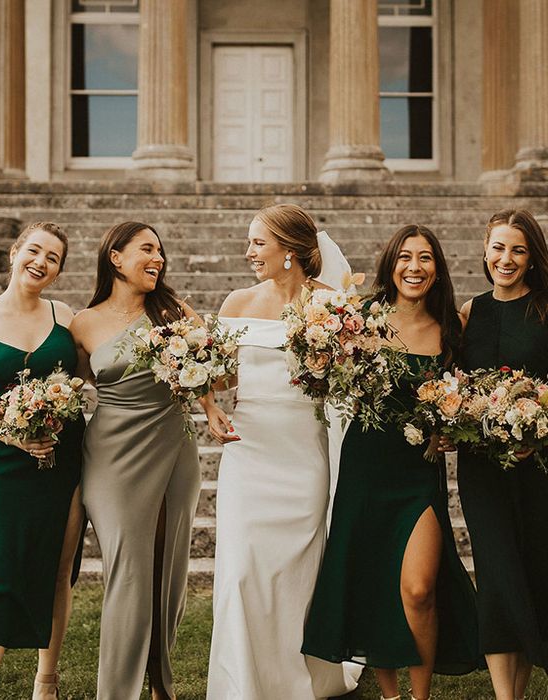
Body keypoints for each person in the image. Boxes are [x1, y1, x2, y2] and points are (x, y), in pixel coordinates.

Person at [302, 224, 480, 700]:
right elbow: (318, 370)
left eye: (425, 259)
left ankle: (419, 697)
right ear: (391, 264)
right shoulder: (362, 317)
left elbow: (466, 396)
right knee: (374, 581)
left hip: (418, 473)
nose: (414, 267)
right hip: (365, 465)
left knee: (419, 589)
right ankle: (390, 695)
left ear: (437, 269)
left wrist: (452, 429)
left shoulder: (452, 328)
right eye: (405, 257)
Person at [204, 203, 360, 699]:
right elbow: (222, 377)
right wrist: (207, 401)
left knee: (299, 570)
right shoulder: (237, 303)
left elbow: (349, 381)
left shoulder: (333, 305)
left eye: (257, 242)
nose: (248, 252)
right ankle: (242, 684)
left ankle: (299, 678)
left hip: (303, 451)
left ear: (289, 250)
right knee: (241, 571)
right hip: (250, 450)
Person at [0, 222, 85, 700]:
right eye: (34, 250)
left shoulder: (65, 316)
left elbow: (94, 372)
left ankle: (45, 681)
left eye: (53, 258)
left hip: (63, 463)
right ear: (14, 252)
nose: (41, 262)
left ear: (59, 271)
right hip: (1, 464)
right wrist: (15, 435)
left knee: (58, 569)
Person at [70, 221, 201, 700]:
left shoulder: (174, 312)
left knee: (168, 566)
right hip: (111, 453)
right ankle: (118, 691)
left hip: (173, 444)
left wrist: (212, 404)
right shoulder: (82, 323)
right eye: (147, 249)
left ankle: (161, 683)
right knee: (128, 567)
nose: (158, 258)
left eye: (161, 252)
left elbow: (210, 373)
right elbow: (72, 386)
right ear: (116, 257)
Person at [458, 209, 548, 700]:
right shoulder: (470, 312)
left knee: (531, 572)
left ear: (531, 256)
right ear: (485, 251)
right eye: (498, 248)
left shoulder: (545, 308)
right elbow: (447, 384)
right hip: (483, 472)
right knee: (494, 575)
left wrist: (539, 430)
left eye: (517, 249)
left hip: (538, 469)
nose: (506, 259)